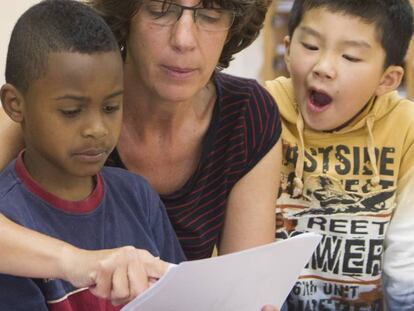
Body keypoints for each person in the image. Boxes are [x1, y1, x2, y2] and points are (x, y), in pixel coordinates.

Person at [0, 0, 282, 306]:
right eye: (160, 8)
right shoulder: (47, 99)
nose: (183, 39)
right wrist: (80, 263)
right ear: (126, 13)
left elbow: (235, 295)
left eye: (210, 14)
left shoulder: (245, 116)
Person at [0, 0, 185, 309]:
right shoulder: (11, 218)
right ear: (15, 104)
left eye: (111, 107)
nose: (97, 129)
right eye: (71, 111)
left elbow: (185, 299)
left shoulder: (137, 196)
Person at [265, 0, 414, 309]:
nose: (323, 67)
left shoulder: (407, 129)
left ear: (388, 79)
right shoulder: (259, 110)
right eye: (310, 45)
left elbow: (405, 264)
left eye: (350, 56)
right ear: (288, 50)